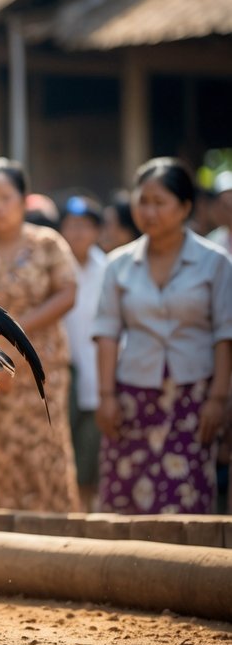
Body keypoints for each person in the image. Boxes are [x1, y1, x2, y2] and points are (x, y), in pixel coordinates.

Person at [94, 158, 231, 515]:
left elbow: (225, 334)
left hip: (193, 397)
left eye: (160, 202)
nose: (149, 211)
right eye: (143, 201)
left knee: (185, 495)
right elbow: (107, 333)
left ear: (185, 207)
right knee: (127, 498)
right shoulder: (118, 264)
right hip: (133, 395)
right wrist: (106, 395)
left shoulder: (215, 262)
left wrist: (219, 398)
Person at [0, 158, 78, 512]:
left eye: (5, 196)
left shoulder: (47, 243)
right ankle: (9, 548)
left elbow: (67, 293)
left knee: (48, 451)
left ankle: (60, 542)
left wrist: (16, 334)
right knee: (2, 457)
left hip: (44, 369)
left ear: (23, 199)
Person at [59, 195, 108, 508]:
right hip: (61, 375)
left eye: (85, 226)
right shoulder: (53, 267)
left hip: (95, 378)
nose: (77, 233)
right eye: (71, 225)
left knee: (89, 461)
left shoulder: (109, 269)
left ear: (97, 231)